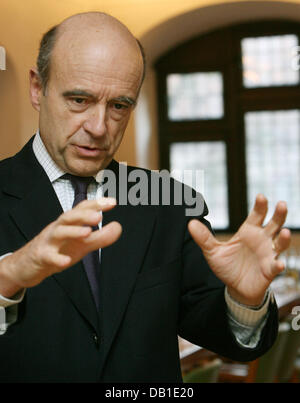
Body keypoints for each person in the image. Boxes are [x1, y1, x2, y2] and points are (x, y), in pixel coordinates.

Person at [0, 12, 291, 383]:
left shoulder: (170, 202)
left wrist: (243, 300)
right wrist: (7, 278)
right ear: (37, 88)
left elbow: (226, 336)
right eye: (79, 100)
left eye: (120, 106)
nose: (99, 127)